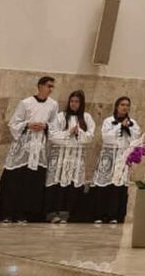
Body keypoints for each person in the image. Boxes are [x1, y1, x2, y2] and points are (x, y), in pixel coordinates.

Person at [0, 75, 57, 223]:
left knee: (32, 184)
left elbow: (54, 125)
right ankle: (8, 213)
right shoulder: (26, 103)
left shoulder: (53, 105)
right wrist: (27, 125)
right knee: (15, 181)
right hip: (23, 146)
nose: (51, 89)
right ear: (40, 86)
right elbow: (13, 123)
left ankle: (25, 214)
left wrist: (45, 126)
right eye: (48, 86)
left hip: (38, 148)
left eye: (52, 87)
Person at [87, 96, 141, 223]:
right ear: (117, 107)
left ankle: (114, 215)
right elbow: (106, 137)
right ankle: (99, 214)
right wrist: (120, 127)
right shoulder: (108, 121)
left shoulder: (133, 123)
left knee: (118, 185)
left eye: (127, 105)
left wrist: (127, 129)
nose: (125, 107)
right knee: (103, 184)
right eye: (122, 105)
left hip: (122, 157)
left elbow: (135, 139)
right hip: (108, 156)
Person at [44, 89, 95, 223]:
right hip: (60, 157)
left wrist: (79, 133)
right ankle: (52, 213)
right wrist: (68, 133)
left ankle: (66, 214)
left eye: (77, 101)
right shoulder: (60, 116)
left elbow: (90, 137)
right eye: (72, 101)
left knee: (72, 185)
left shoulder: (86, 118)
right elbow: (52, 136)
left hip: (75, 158)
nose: (73, 104)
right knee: (57, 184)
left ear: (81, 103)